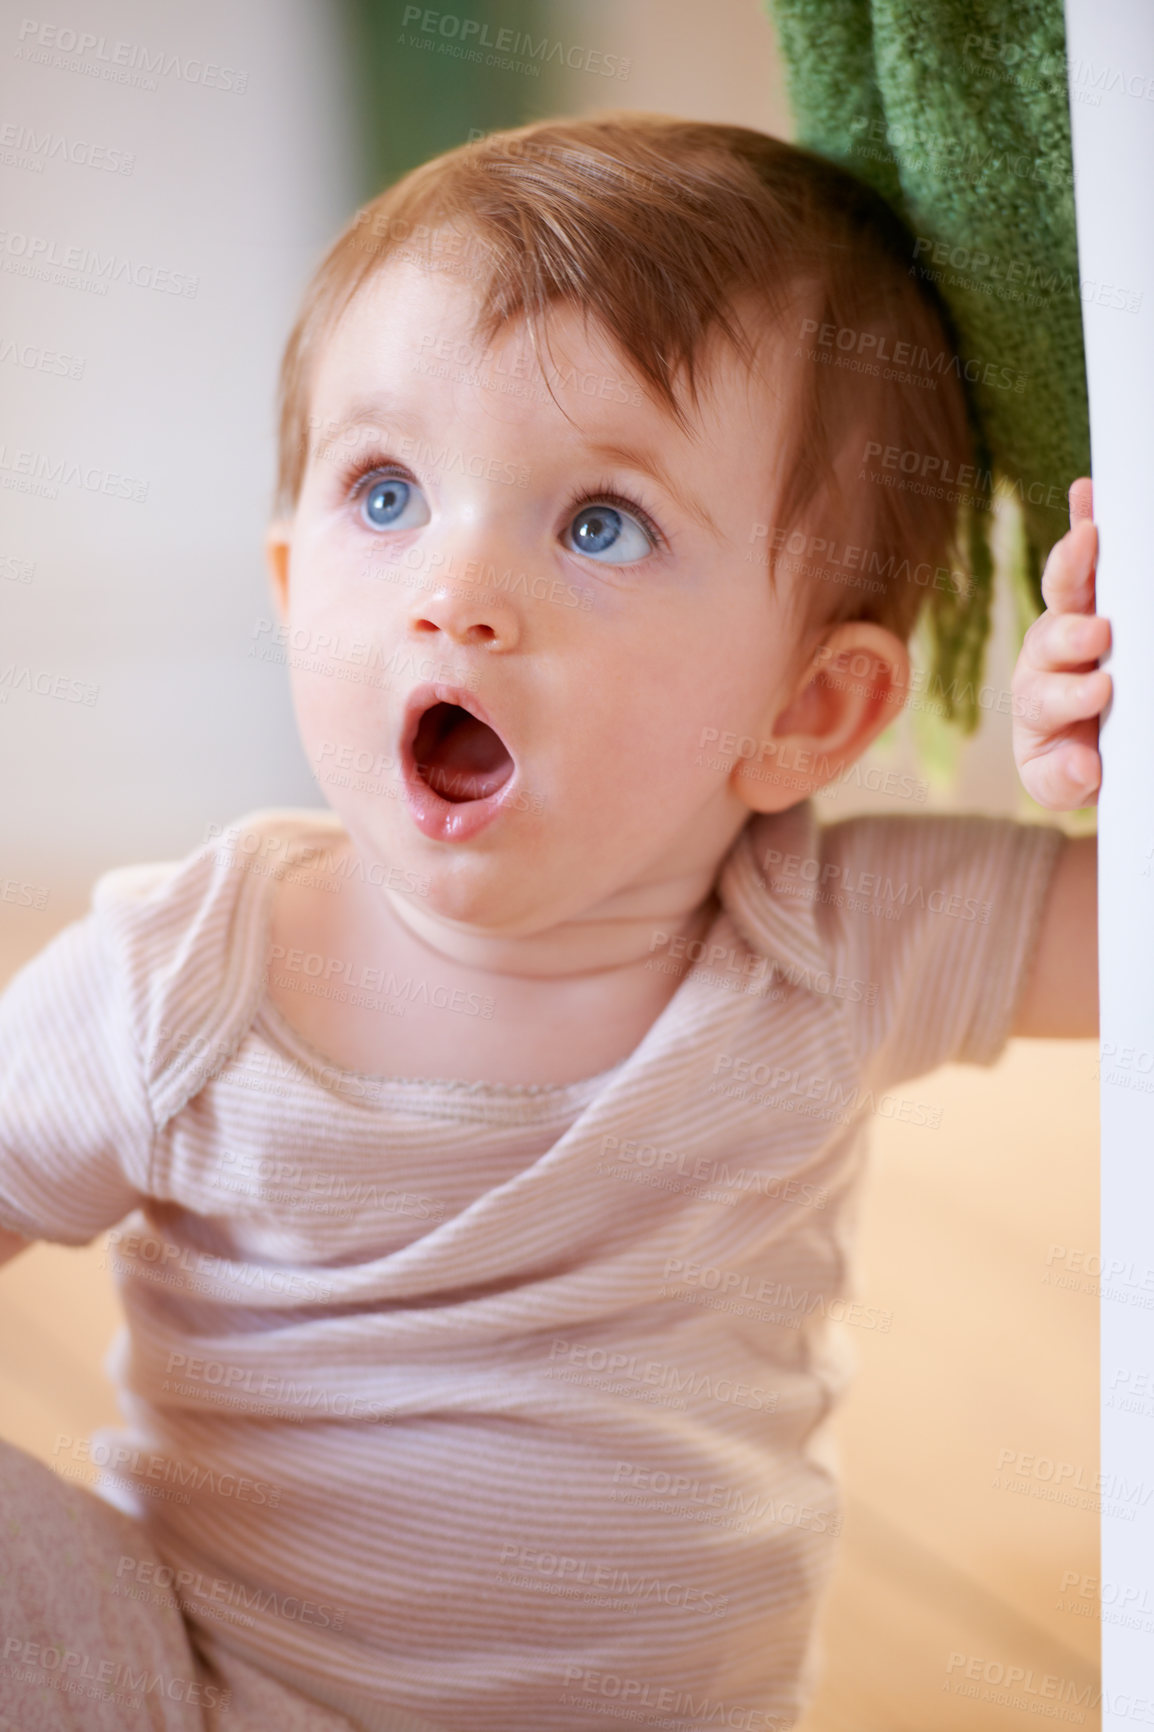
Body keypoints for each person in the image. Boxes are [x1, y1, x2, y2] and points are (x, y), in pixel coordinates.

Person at [0, 115, 1107, 1732]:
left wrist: (1107, 745)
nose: (451, 588)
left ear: (809, 706)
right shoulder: (187, 974)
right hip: (193, 1697)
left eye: (600, 523)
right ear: (295, 581)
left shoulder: (832, 947)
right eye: (386, 491)